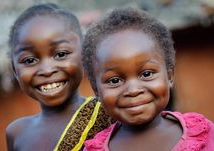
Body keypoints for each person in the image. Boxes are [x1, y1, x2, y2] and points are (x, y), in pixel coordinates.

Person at [82, 7, 214, 151]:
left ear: (169, 76)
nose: (133, 91)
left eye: (146, 74)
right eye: (114, 81)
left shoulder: (203, 134)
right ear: (96, 90)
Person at [6, 3, 114, 151]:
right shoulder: (17, 133)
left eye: (61, 54)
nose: (47, 70)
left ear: (84, 55)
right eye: (30, 60)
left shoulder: (110, 114)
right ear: (14, 70)